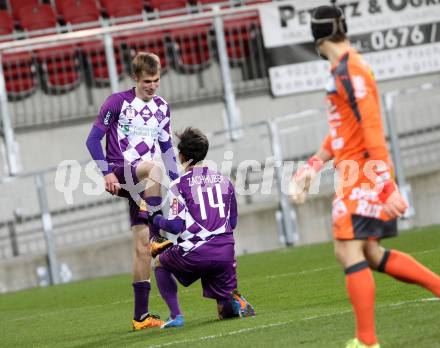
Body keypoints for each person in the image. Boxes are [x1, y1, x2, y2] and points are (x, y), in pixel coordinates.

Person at [289, 4, 440, 348]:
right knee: (368, 253)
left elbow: (371, 128)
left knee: (347, 250)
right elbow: (343, 129)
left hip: (362, 173)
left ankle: (367, 341)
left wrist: (384, 184)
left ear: (316, 37)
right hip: (357, 171)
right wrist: (314, 164)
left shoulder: (349, 71)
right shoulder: (344, 68)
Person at [86, 52, 179, 330]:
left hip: (144, 188)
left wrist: (180, 182)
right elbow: (92, 141)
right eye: (147, 81)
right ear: (135, 78)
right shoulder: (117, 102)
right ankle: (156, 233)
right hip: (122, 169)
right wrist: (106, 173)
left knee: (140, 250)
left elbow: (167, 149)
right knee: (153, 169)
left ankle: (141, 317)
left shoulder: (162, 108)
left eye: (157, 80)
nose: (152, 85)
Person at [150, 127, 255, 328]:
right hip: (225, 252)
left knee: (159, 263)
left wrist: (155, 219)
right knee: (224, 313)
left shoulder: (179, 185)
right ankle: (233, 300)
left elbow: (174, 226)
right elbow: (232, 223)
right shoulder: (225, 181)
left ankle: (176, 316)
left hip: (196, 253)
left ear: (181, 156)